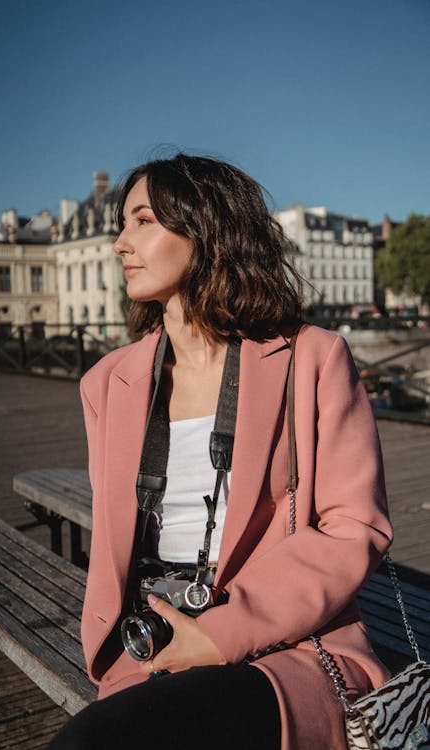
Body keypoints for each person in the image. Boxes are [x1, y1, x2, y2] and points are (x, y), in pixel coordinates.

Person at [48, 154, 392, 750]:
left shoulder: (311, 359)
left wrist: (222, 632)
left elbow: (353, 525)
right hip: (151, 642)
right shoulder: (107, 382)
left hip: (286, 649)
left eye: (143, 221)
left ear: (206, 229)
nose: (119, 244)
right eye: (121, 224)